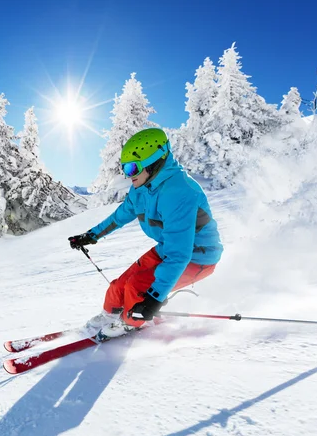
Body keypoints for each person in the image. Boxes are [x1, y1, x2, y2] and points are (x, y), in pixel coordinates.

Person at [68, 128, 223, 338]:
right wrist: (91, 235)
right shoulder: (142, 187)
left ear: (153, 163)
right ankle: (109, 315)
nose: (127, 175)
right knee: (120, 286)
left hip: (198, 256)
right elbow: (120, 215)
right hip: (167, 248)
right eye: (125, 168)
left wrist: (154, 299)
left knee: (137, 287)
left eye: (132, 168)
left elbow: (180, 255)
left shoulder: (180, 192)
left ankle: (130, 322)